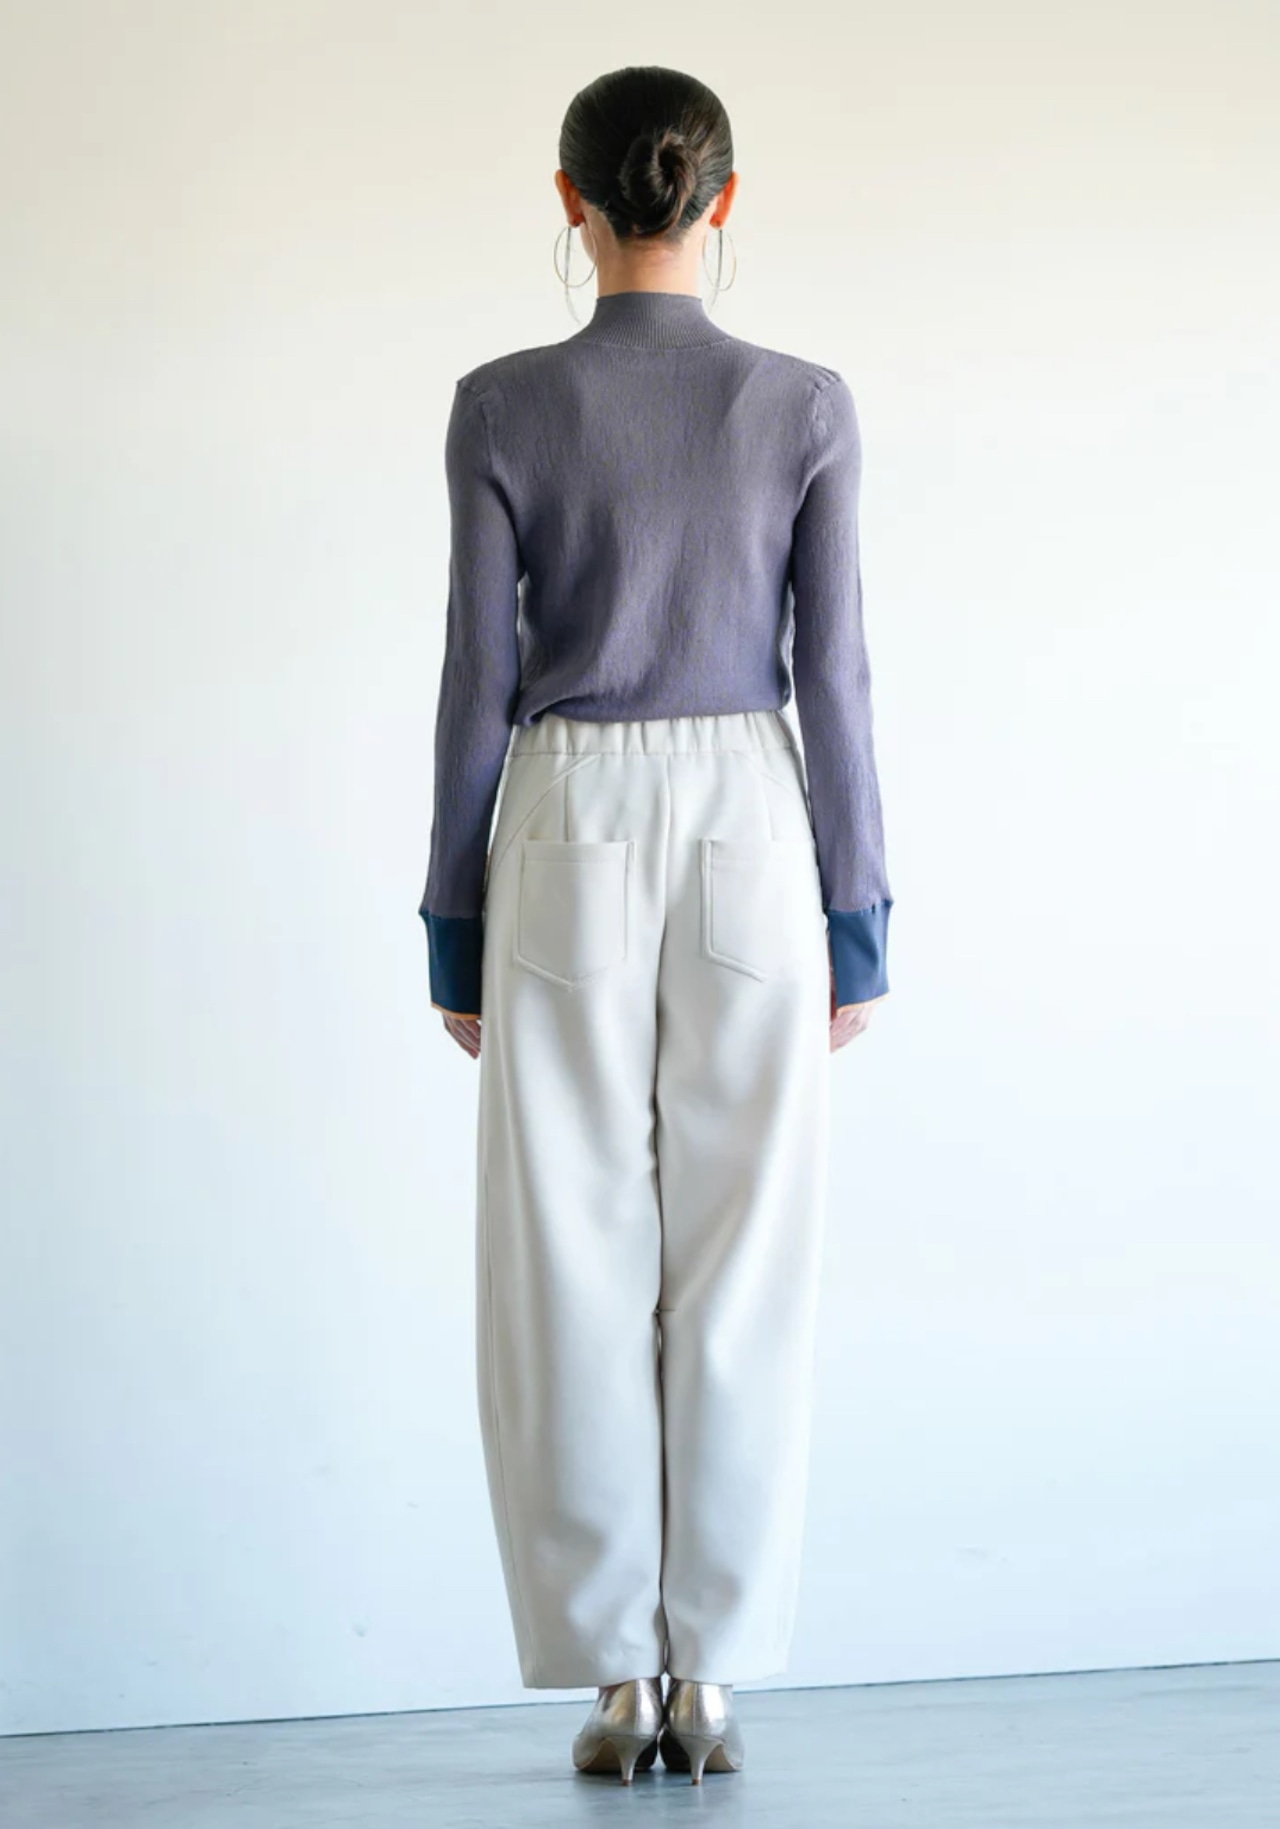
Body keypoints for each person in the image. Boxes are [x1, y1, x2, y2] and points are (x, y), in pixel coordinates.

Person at [417, 64, 893, 1786]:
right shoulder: (804, 403)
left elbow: (477, 676)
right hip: (753, 817)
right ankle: (719, 1674)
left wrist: (453, 922)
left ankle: (621, 1679)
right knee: (745, 1251)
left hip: (563, 815)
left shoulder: (499, 406)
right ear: (723, 199)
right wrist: (856, 916)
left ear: (570, 201)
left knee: (570, 1247)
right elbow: (834, 673)